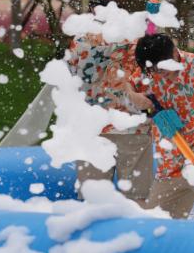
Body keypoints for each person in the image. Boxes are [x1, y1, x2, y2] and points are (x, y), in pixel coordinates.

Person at [127, 34, 194, 220]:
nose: (160, 74)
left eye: (163, 68)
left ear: (175, 53)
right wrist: (134, 96)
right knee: (156, 222)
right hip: (173, 157)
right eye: (154, 71)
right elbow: (127, 83)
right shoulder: (150, 71)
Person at [66, 33, 153, 204]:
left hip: (92, 126)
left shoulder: (79, 41)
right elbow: (149, 76)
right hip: (132, 126)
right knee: (137, 199)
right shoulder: (135, 38)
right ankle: (137, 230)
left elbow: (70, 80)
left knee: (92, 199)